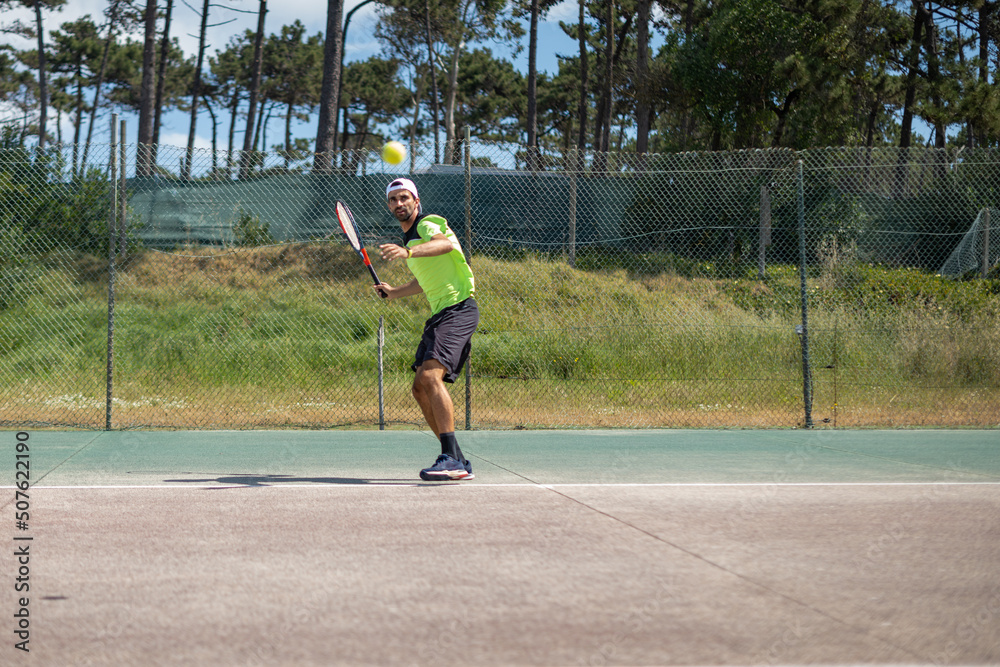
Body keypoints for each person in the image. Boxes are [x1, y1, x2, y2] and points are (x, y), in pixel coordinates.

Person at [376, 178, 479, 481]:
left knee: (431, 376)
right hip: (440, 314)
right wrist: (394, 292)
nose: (399, 204)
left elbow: (445, 244)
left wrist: (408, 253)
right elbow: (425, 280)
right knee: (420, 387)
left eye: (404, 198)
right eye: (393, 200)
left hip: (459, 308)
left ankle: (450, 460)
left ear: (416, 201)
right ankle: (457, 458)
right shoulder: (412, 242)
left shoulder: (427, 224)